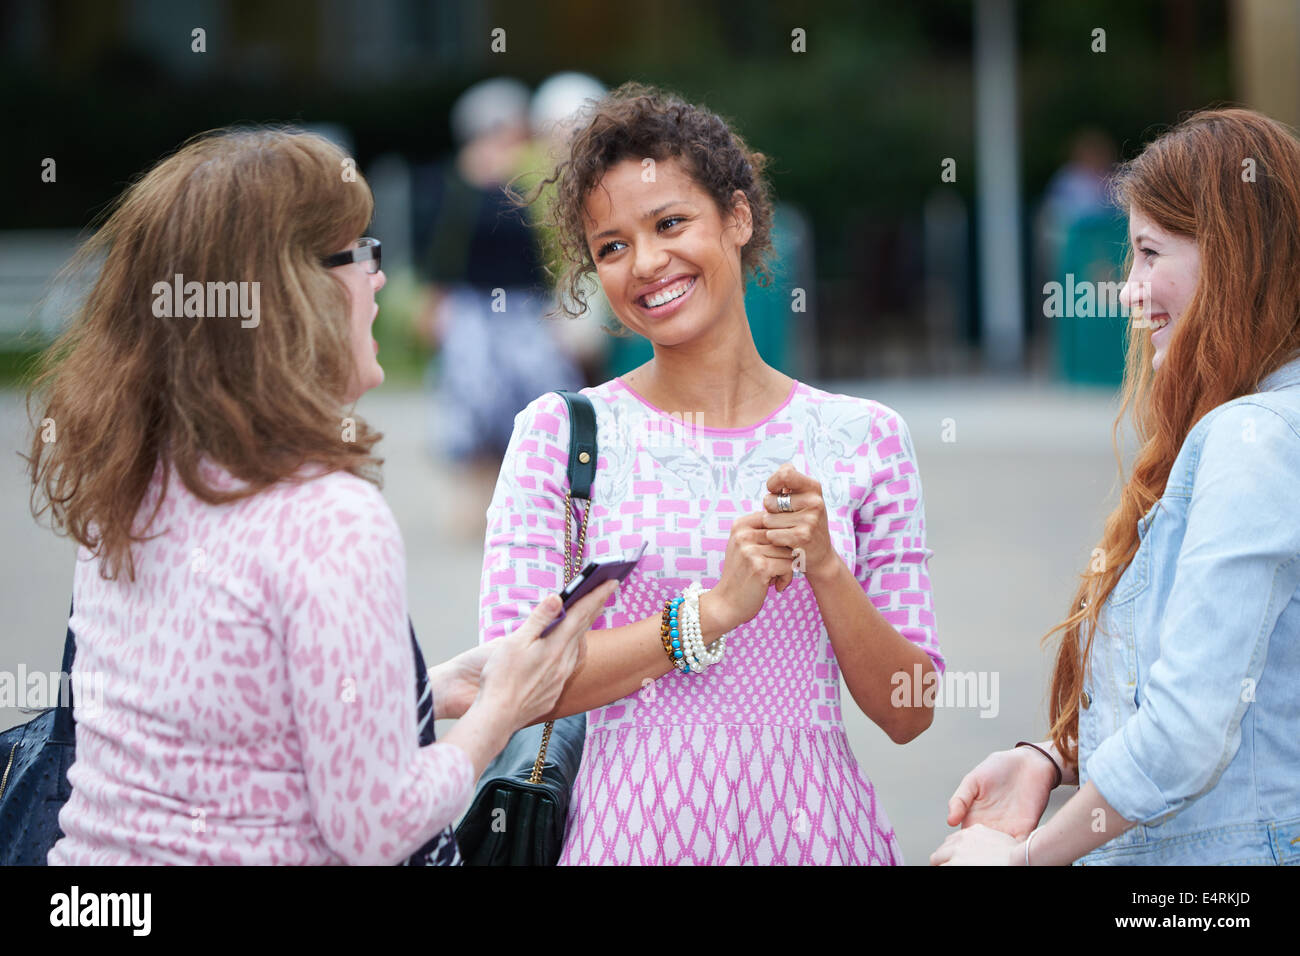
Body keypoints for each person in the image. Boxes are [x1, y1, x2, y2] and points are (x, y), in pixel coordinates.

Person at [26, 127, 616, 865]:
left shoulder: (140, 474)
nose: (380, 280)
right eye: (361, 254)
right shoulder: (327, 516)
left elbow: (211, 726)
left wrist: (430, 690)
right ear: (292, 296)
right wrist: (505, 708)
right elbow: (376, 829)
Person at [479, 83, 943, 865]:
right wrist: (711, 613)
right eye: (613, 246)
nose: (648, 264)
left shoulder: (866, 438)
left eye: (669, 223)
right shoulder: (562, 435)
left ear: (737, 218)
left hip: (819, 839)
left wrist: (827, 566)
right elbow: (512, 684)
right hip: (625, 840)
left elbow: (910, 711)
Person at [935, 108, 1300, 866]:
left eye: (1147, 253)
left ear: (1234, 255)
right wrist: (1052, 757)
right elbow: (1248, 685)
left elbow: (1188, 731)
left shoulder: (1250, 440)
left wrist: (1027, 857)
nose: (1129, 291)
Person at [412, 77, 583, 540]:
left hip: (527, 308)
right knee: (473, 401)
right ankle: (477, 503)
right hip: (471, 307)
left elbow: (552, 241)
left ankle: (535, 501)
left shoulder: (532, 172)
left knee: (539, 396)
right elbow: (439, 246)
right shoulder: (455, 182)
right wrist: (434, 299)